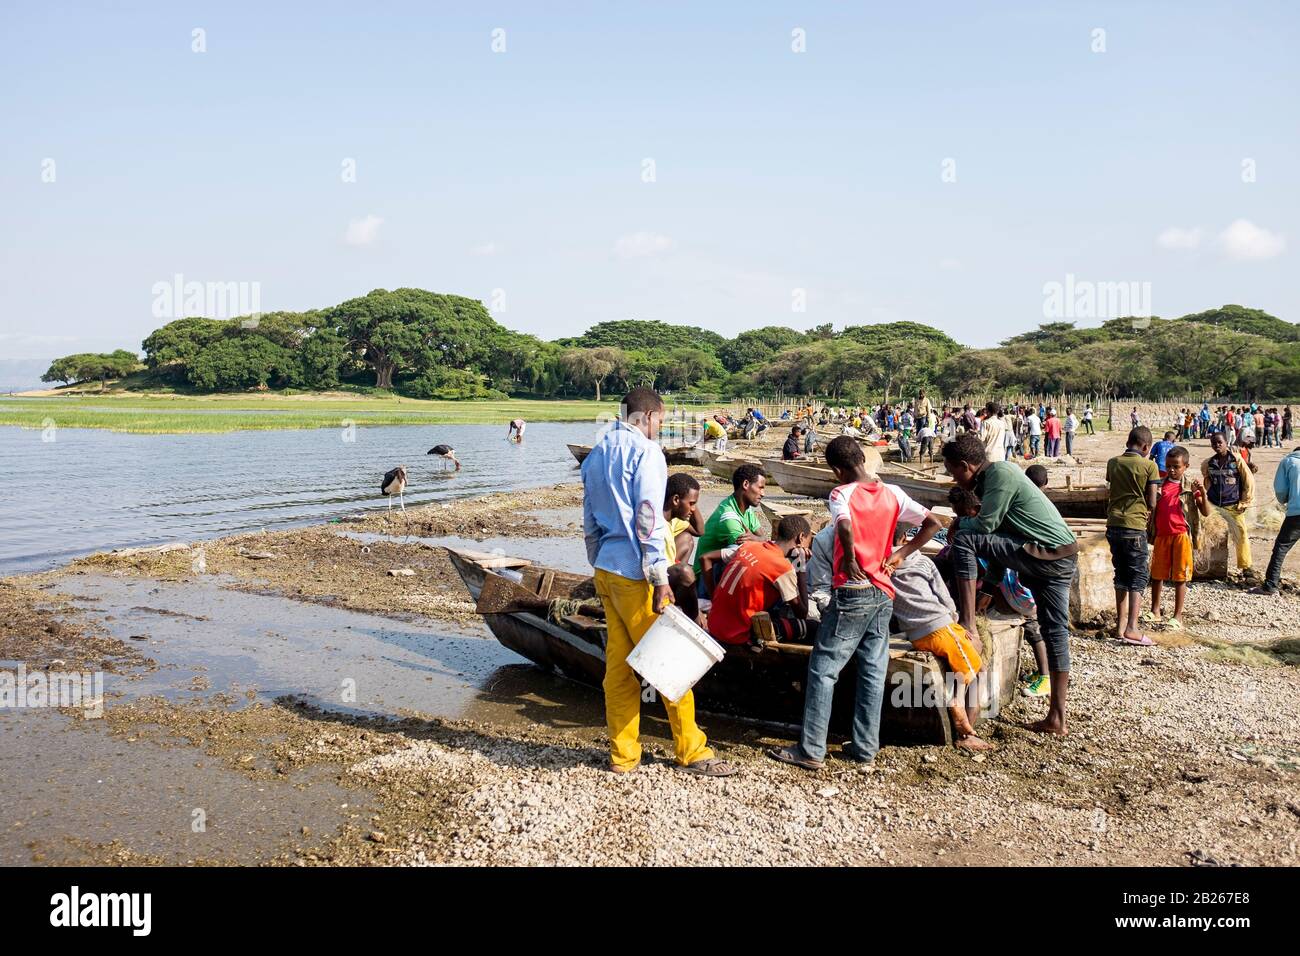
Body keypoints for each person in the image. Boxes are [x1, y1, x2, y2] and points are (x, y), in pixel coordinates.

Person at [581, 387, 735, 776]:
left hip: (607, 570)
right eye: (661, 422)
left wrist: (597, 562)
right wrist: (658, 575)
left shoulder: (596, 453)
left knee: (618, 670)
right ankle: (692, 751)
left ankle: (623, 756)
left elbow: (589, 521)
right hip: (637, 574)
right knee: (670, 661)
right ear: (648, 416)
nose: (659, 429)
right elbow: (648, 518)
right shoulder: (647, 454)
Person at [769, 437, 941, 771]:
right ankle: (864, 748)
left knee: (823, 668)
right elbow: (933, 523)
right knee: (872, 670)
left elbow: (844, 525)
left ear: (836, 470)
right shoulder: (892, 493)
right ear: (863, 458)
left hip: (854, 589)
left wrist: (848, 556)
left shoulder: (841, 493)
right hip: (884, 591)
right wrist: (901, 554)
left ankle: (811, 749)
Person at [942, 432, 1077, 735]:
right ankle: (1057, 718)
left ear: (966, 466)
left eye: (953, 471)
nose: (953, 478)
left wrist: (957, 523)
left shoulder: (1000, 474)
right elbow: (1003, 537)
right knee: (1054, 631)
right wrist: (989, 588)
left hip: (1046, 554)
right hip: (1061, 554)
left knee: (965, 538)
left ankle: (967, 621)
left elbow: (986, 526)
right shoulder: (995, 479)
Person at [888, 523, 991, 750]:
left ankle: (960, 705)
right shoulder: (922, 561)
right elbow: (944, 597)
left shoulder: (883, 566)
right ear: (906, 537)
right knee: (979, 671)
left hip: (916, 635)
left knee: (961, 661)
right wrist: (955, 619)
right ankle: (965, 729)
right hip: (939, 627)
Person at [703, 515, 813, 644]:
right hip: (737, 634)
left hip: (714, 624)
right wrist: (801, 569)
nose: (807, 549)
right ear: (800, 538)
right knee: (811, 627)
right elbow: (802, 613)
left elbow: (704, 558)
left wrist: (714, 597)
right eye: (808, 544)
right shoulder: (782, 567)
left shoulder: (749, 546)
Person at [1105, 426, 1161, 646]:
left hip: (1114, 525)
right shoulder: (1149, 466)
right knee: (1138, 577)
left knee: (1120, 574)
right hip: (1134, 526)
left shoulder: (1113, 462)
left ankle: (1120, 627)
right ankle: (1132, 628)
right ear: (1146, 447)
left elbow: (1112, 488)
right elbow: (1152, 502)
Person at [1147, 447, 1210, 629]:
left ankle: (1177, 615)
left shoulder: (1191, 487)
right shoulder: (1160, 485)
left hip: (1181, 535)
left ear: (1186, 466)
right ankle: (1155, 611)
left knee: (1180, 576)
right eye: (1168, 466)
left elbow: (1205, 512)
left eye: (1176, 466)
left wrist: (1203, 494)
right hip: (1162, 535)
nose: (1172, 470)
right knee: (1157, 574)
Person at [694, 463, 766, 582]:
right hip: (706, 576)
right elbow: (746, 550)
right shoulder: (728, 516)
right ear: (746, 484)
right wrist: (758, 539)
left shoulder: (747, 510)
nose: (763, 494)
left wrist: (756, 539)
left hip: (722, 567)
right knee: (743, 554)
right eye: (760, 487)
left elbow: (763, 536)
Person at [1201, 432, 1256, 582]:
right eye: (1214, 443)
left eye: (1219, 442)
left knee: (1241, 534)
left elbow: (1248, 480)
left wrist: (1245, 502)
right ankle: (1211, 566)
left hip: (1233, 506)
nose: (1217, 445)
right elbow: (1207, 481)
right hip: (1215, 508)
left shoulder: (1236, 459)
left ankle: (1246, 567)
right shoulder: (1208, 463)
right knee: (1212, 536)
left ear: (1226, 442)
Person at [1249, 443, 1300, 596]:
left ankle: (1270, 585)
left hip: (1296, 513)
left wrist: (1285, 500)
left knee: (1281, 547)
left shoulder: (1288, 461)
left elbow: (1281, 490)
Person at [663, 472, 704, 621]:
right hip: (654, 583)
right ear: (675, 500)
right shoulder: (658, 526)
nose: (693, 509)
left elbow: (700, 531)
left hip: (663, 573)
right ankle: (693, 619)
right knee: (685, 572)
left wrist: (690, 504)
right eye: (691, 503)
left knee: (688, 540)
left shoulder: (671, 519)